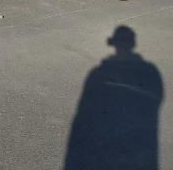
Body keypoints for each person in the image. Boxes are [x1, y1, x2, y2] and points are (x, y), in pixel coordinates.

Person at [64, 26, 164, 170]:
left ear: (114, 44)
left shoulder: (99, 73)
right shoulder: (151, 72)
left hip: (106, 145)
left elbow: (83, 113)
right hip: (138, 146)